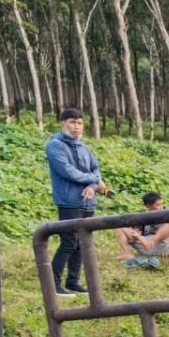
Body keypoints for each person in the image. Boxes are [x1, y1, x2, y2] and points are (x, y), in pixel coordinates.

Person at [45, 107, 110, 296]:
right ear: (62, 123)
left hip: (88, 202)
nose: (76, 127)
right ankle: (53, 284)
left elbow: (96, 170)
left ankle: (73, 281)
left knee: (82, 243)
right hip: (68, 201)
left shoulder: (85, 148)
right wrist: (94, 181)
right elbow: (67, 171)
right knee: (68, 242)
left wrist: (93, 184)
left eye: (80, 123)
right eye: (72, 122)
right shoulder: (54, 145)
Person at [114, 191, 169, 270]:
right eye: (158, 205)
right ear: (148, 206)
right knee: (120, 227)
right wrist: (137, 234)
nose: (161, 207)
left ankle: (129, 253)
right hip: (147, 245)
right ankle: (127, 253)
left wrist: (141, 237)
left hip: (161, 246)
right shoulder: (144, 216)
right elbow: (137, 230)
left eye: (162, 204)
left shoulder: (166, 215)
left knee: (120, 227)